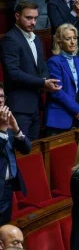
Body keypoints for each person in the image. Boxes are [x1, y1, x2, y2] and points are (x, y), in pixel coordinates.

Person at [0, 1, 60, 140]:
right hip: (19, 106)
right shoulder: (10, 39)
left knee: (33, 149)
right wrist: (42, 83)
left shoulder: (36, 39)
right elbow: (13, 73)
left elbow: (42, 65)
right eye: (28, 18)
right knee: (21, 151)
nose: (33, 22)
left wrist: (46, 79)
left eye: (35, 18)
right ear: (17, 16)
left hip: (35, 104)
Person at [46, 23, 79, 135]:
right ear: (59, 42)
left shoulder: (77, 60)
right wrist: (76, 109)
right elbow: (57, 92)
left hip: (78, 115)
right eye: (68, 39)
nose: (72, 42)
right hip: (60, 117)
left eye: (74, 38)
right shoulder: (54, 61)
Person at [0, 85, 32, 225]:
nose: (0, 100)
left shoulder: (7, 119)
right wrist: (2, 130)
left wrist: (17, 130)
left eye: (1, 96)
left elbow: (26, 149)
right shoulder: (3, 123)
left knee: (5, 228)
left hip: (7, 186)